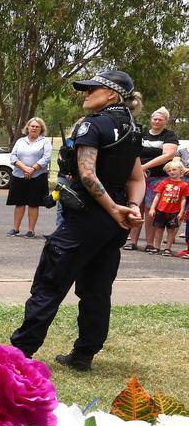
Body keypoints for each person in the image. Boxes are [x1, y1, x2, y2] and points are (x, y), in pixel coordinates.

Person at [9, 69, 143, 372]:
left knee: (49, 283)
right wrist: (130, 206)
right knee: (97, 289)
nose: (86, 94)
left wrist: (112, 208)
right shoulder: (133, 129)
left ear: (111, 94)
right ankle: (84, 354)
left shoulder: (93, 126)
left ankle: (19, 353)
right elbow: (137, 177)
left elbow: (86, 173)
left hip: (89, 216)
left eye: (92, 89)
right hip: (114, 222)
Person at [125, 106, 178, 252]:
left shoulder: (169, 136)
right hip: (138, 177)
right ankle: (133, 241)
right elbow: (131, 151)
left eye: (160, 119)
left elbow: (167, 155)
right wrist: (138, 170)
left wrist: (144, 167)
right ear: (151, 120)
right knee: (136, 206)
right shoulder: (141, 134)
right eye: (155, 119)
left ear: (165, 121)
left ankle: (150, 243)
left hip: (158, 178)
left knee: (150, 210)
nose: (157, 121)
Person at [6, 117, 52, 238]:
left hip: (37, 176)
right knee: (19, 203)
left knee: (33, 204)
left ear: (41, 129)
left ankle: (31, 230)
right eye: (32, 126)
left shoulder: (45, 141)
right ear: (28, 127)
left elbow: (46, 157)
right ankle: (15, 229)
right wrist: (24, 168)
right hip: (19, 175)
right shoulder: (20, 141)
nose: (34, 128)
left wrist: (33, 169)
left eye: (37, 126)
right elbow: (13, 157)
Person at [148, 159, 188, 256]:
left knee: (171, 231)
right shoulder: (164, 182)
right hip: (161, 210)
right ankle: (156, 247)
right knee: (159, 229)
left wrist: (181, 212)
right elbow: (157, 196)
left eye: (174, 170)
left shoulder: (184, 185)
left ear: (181, 171)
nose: (171, 172)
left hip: (174, 211)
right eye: (169, 170)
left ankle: (167, 249)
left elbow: (183, 199)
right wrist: (153, 208)